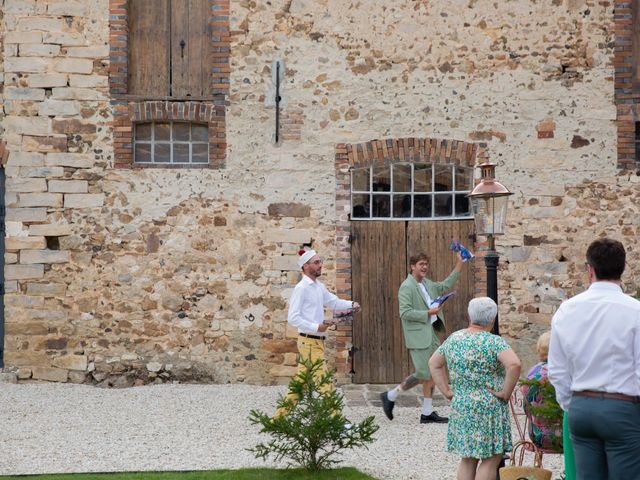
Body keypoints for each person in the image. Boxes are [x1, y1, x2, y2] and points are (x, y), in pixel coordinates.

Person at [548, 237, 640, 480]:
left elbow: (557, 370)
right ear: (623, 268)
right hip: (623, 405)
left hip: (581, 406)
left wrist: (571, 403)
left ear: (589, 269)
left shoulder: (567, 310)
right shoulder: (635, 311)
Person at [429, 297, 521, 480]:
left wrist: (447, 391)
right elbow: (514, 365)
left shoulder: (454, 339)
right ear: (492, 318)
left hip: (462, 404)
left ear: (469, 316)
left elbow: (434, 363)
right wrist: (505, 393)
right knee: (490, 458)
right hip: (489, 406)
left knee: (468, 458)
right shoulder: (494, 342)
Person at [380, 250, 465, 424]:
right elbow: (405, 313)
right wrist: (429, 312)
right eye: (421, 264)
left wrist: (460, 262)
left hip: (432, 333)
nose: (424, 267)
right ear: (412, 267)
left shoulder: (426, 283)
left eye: (426, 264)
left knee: (432, 372)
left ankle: (426, 413)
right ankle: (390, 395)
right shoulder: (407, 286)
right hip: (418, 337)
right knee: (423, 372)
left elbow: (445, 284)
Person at [275, 249, 361, 418]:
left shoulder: (318, 287)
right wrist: (316, 327)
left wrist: (352, 304)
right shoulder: (301, 288)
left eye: (320, 262)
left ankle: (278, 418)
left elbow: (334, 302)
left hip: (315, 342)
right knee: (324, 382)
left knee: (299, 385)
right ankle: (337, 420)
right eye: (316, 262)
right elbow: (293, 318)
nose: (320, 265)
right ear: (305, 266)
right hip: (309, 341)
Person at [520, 331, 563, 452]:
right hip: (565, 438)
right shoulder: (562, 372)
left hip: (538, 437)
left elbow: (527, 409)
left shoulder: (533, 372)